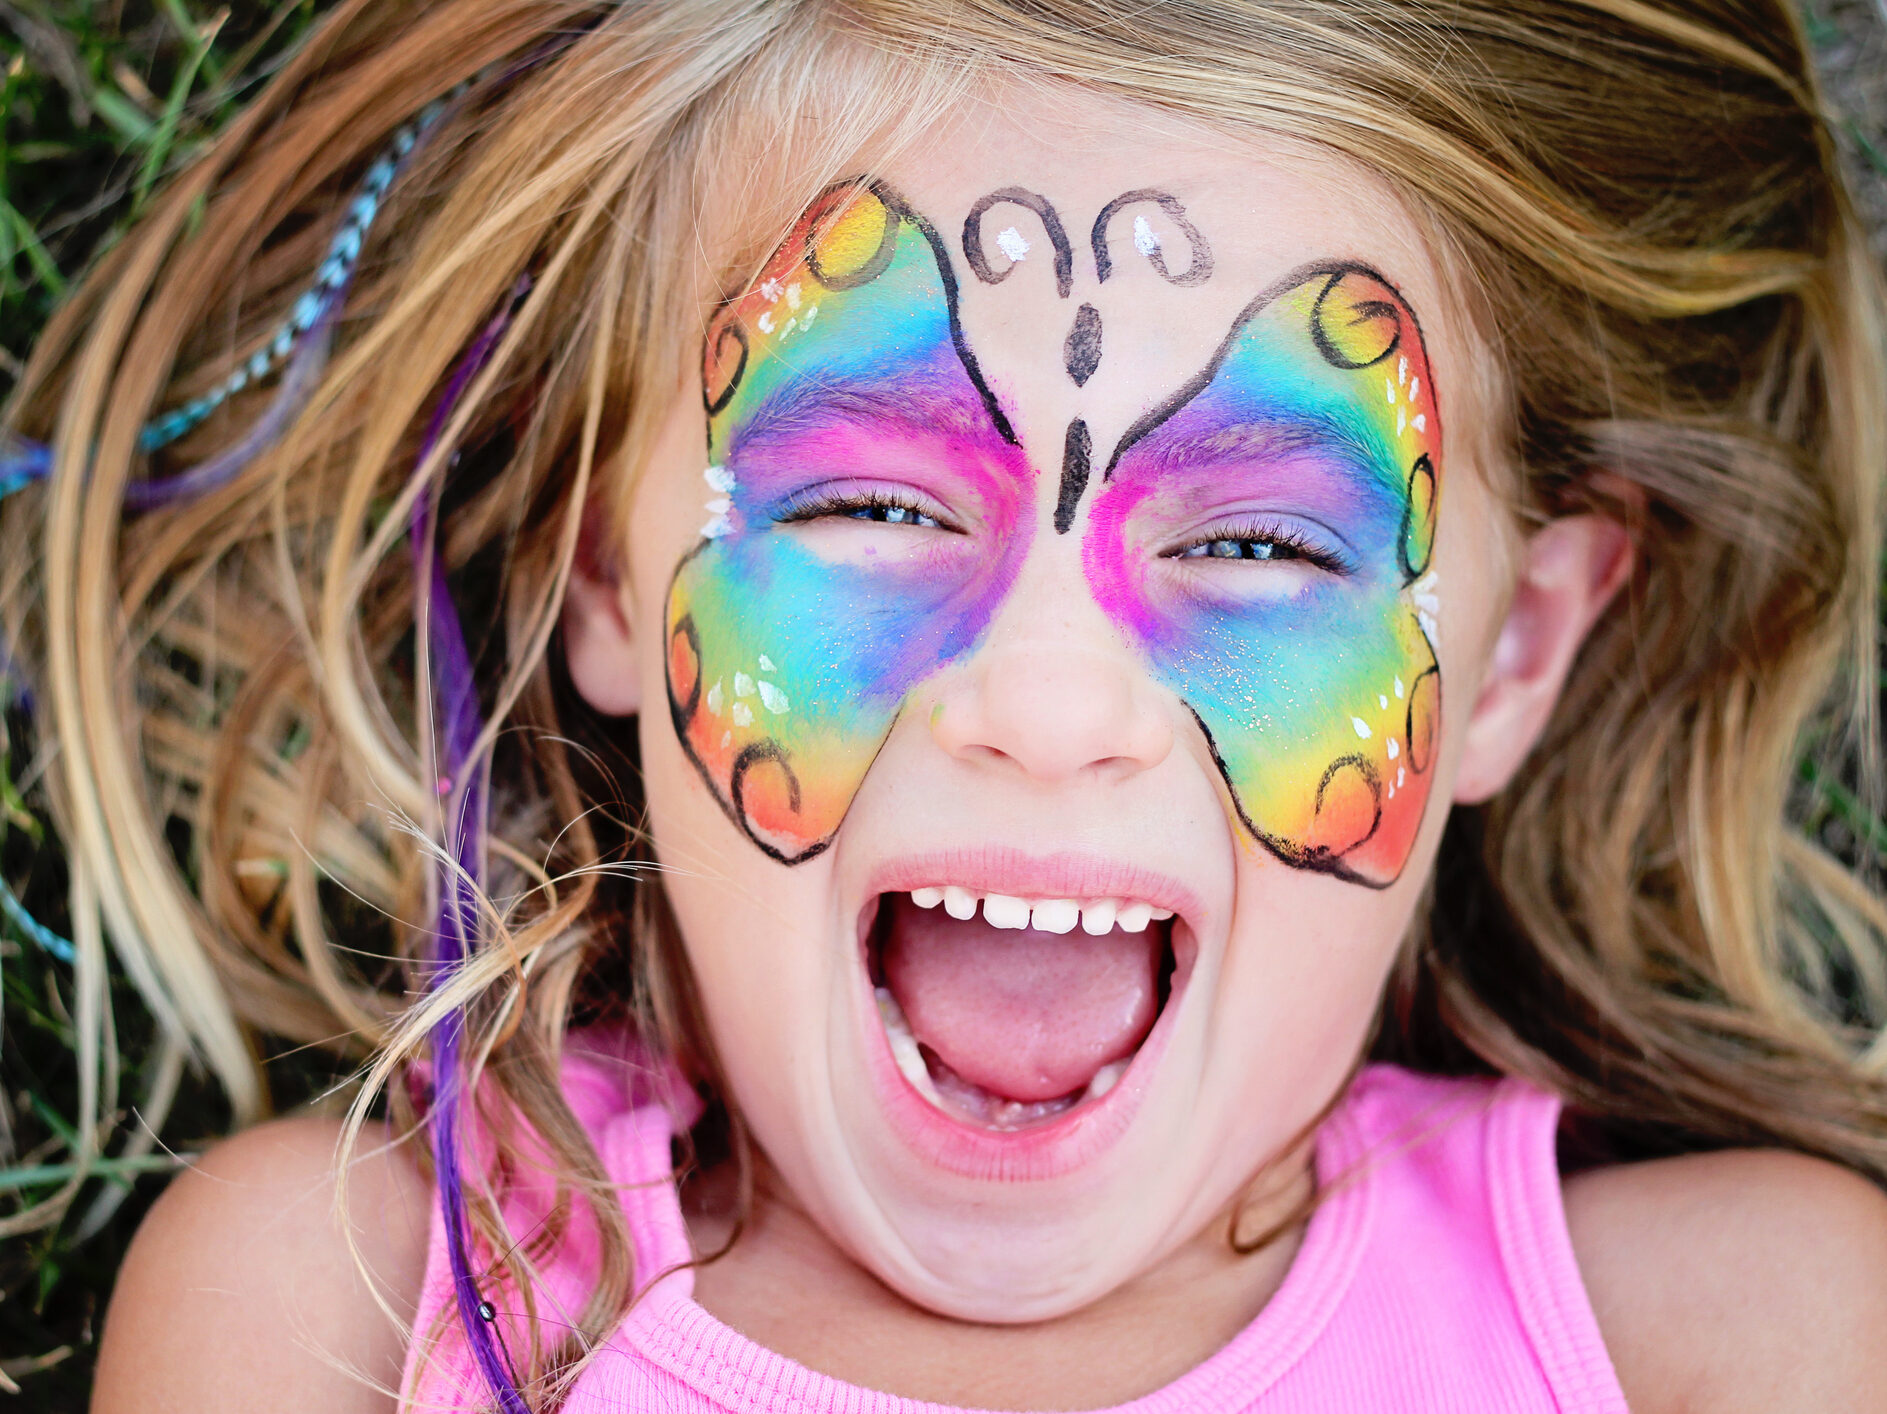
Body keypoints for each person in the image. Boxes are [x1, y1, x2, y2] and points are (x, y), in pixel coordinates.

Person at [6, 0, 1887, 1409]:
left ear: (1517, 655)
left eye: (1259, 544)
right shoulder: (340, 1298)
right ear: (595, 567)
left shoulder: (1732, 1339)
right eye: (872, 504)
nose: (1051, 701)